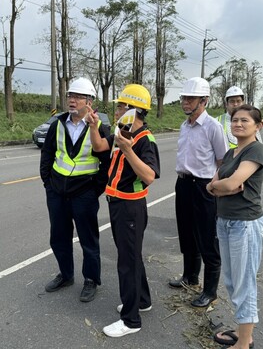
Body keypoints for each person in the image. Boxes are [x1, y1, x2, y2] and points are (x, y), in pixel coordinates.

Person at [86, 84, 160, 338]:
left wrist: (128, 150)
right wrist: (94, 126)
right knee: (132, 256)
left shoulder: (144, 140)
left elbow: (150, 175)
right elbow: (99, 148)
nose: (116, 111)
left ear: (133, 109)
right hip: (117, 203)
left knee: (127, 262)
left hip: (130, 207)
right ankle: (142, 300)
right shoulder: (122, 131)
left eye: (120, 106)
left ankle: (130, 320)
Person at [40, 77, 110, 302]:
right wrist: (48, 185)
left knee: (89, 239)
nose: (72, 100)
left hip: (84, 194)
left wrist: (94, 191)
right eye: (70, 95)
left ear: (90, 101)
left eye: (78, 96)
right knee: (58, 237)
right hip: (57, 193)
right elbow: (47, 155)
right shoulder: (58, 124)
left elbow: (106, 164)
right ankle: (66, 275)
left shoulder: (100, 128)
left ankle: (91, 280)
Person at [207, 104, 263, 349]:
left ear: (258, 125)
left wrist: (223, 186)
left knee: (244, 284)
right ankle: (245, 334)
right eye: (234, 120)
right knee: (232, 281)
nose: (238, 124)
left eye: (244, 120)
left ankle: (243, 345)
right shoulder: (232, 152)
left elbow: (232, 182)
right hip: (225, 221)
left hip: (245, 224)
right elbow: (214, 184)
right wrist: (220, 187)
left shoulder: (257, 150)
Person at [170, 77, 228, 308]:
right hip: (183, 184)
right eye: (184, 97)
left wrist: (214, 183)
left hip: (203, 186)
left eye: (190, 98)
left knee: (206, 237)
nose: (185, 102)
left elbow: (223, 160)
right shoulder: (185, 126)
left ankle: (210, 290)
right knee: (186, 233)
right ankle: (189, 277)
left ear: (204, 100)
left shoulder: (213, 127)